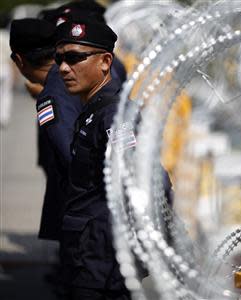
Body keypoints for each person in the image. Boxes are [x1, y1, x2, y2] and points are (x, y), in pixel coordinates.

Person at [55, 18, 131, 299]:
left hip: (102, 264)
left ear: (105, 61)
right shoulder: (94, 109)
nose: (64, 68)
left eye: (74, 58)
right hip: (87, 257)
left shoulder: (113, 114)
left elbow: (135, 177)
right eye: (59, 58)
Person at [9, 18, 80, 240]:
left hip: (81, 215)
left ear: (19, 61)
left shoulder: (52, 96)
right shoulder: (73, 78)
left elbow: (71, 158)